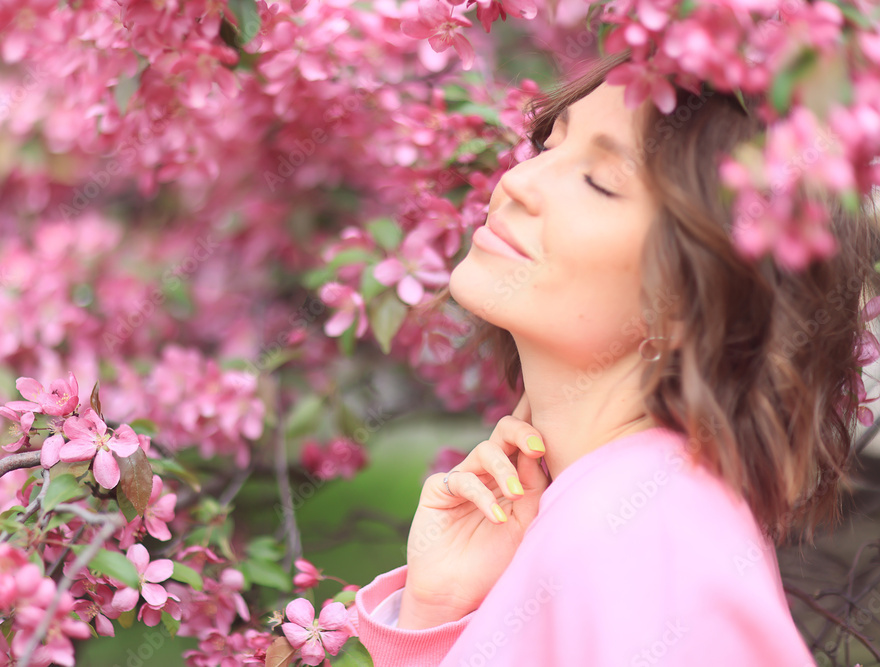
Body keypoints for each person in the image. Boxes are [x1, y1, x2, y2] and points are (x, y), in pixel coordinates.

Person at [352, 49, 880, 666]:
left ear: (699, 297)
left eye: (601, 181)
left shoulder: (648, 536)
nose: (518, 181)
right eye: (548, 144)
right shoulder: (611, 510)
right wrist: (436, 611)